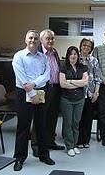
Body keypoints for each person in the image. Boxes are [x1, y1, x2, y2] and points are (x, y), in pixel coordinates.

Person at [12, 30, 55, 171]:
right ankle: (19, 158)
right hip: (23, 92)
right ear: (26, 40)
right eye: (31, 38)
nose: (33, 40)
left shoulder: (43, 58)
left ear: (39, 41)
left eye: (36, 38)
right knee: (23, 126)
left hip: (40, 91)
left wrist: (34, 85)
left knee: (41, 125)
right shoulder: (19, 56)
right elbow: (21, 77)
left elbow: (46, 74)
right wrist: (31, 92)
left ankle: (44, 155)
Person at [31, 29, 64, 158]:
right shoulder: (37, 53)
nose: (50, 41)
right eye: (48, 39)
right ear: (41, 40)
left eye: (52, 38)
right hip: (42, 88)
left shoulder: (54, 52)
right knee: (39, 117)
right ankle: (36, 145)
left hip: (55, 88)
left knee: (52, 117)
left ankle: (50, 142)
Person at [59, 46, 88, 157]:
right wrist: (78, 82)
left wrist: (70, 81)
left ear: (78, 55)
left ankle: (75, 145)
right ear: (68, 55)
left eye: (75, 54)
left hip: (79, 99)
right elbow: (62, 84)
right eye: (71, 54)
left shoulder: (83, 67)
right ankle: (69, 146)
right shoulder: (63, 67)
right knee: (68, 123)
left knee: (76, 123)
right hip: (66, 99)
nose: (73, 56)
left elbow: (85, 82)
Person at [77, 38, 101, 148]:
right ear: (81, 46)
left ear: (91, 48)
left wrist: (96, 93)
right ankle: (78, 140)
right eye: (84, 45)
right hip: (78, 93)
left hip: (91, 94)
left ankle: (86, 140)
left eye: (88, 46)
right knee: (78, 118)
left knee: (88, 118)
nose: (86, 47)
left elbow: (98, 78)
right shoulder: (75, 58)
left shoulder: (94, 60)